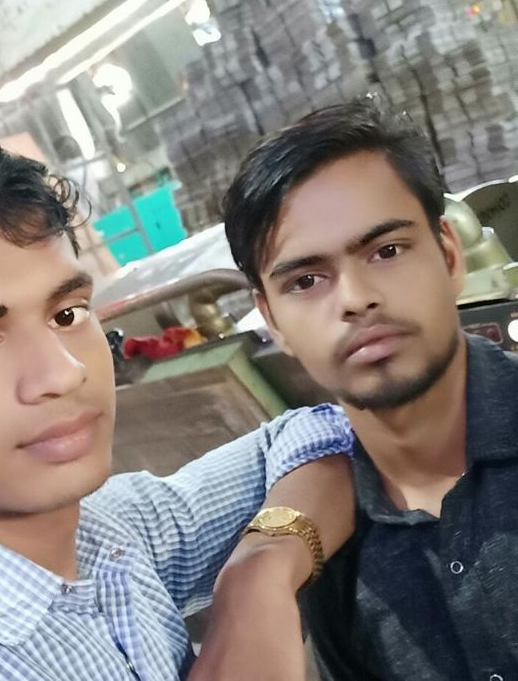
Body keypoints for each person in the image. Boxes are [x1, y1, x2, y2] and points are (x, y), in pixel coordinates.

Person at [0, 135, 354, 680]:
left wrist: (258, 580)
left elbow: (316, 435)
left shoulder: (113, 534)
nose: (64, 372)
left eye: (67, 315)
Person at [211, 101, 518, 681]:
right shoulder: (328, 555)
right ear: (271, 319)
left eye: (387, 251)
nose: (355, 298)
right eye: (306, 280)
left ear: (449, 255)